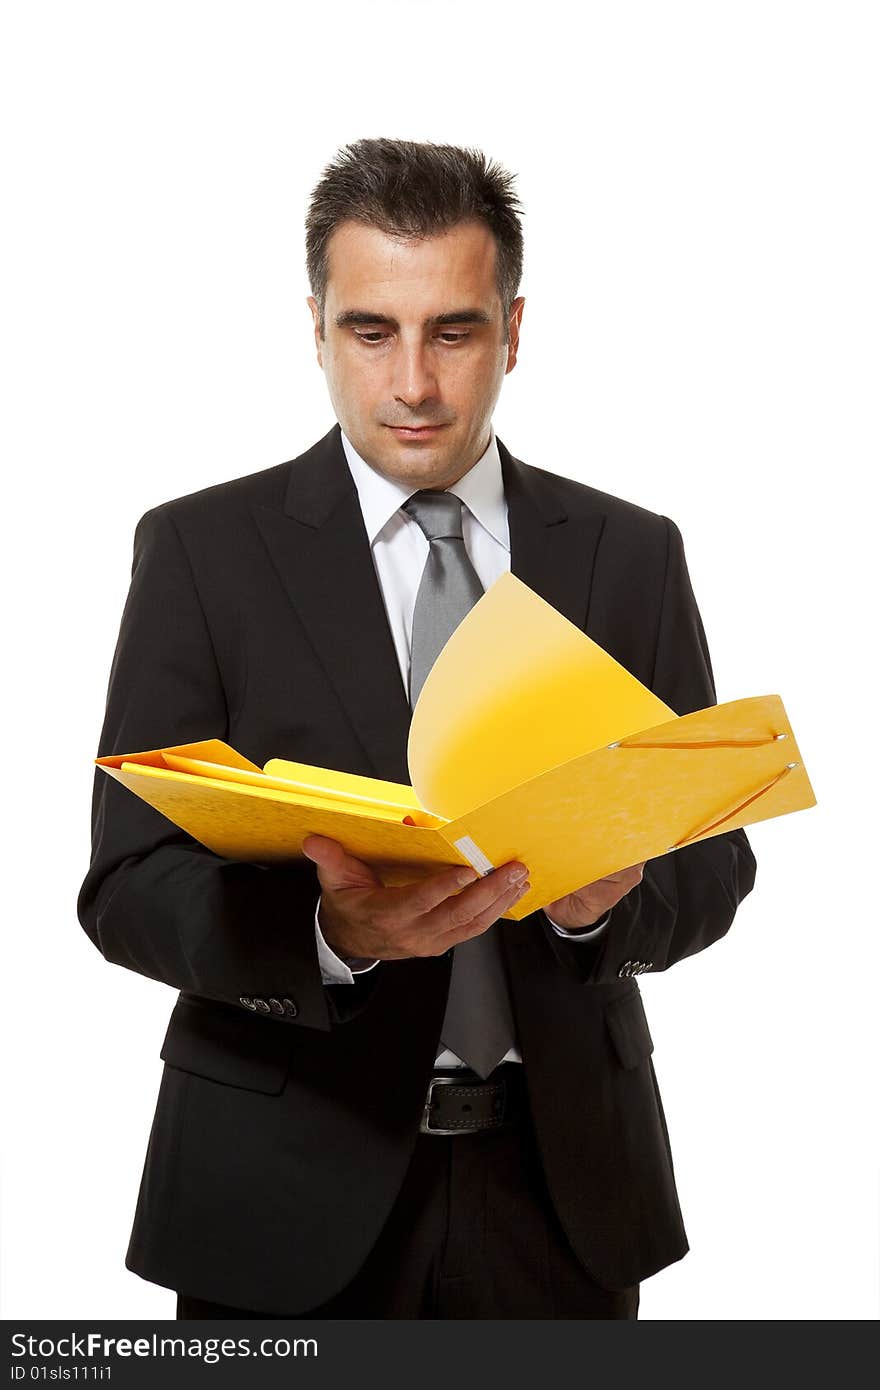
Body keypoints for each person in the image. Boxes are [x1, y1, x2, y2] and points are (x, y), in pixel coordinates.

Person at [78, 137, 757, 1320]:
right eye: (370, 331)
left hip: (565, 1197)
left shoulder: (628, 554)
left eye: (451, 330)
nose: (412, 385)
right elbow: (127, 883)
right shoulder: (203, 551)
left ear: (512, 330)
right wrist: (328, 932)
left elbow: (713, 855)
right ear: (316, 325)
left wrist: (608, 911)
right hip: (282, 1189)